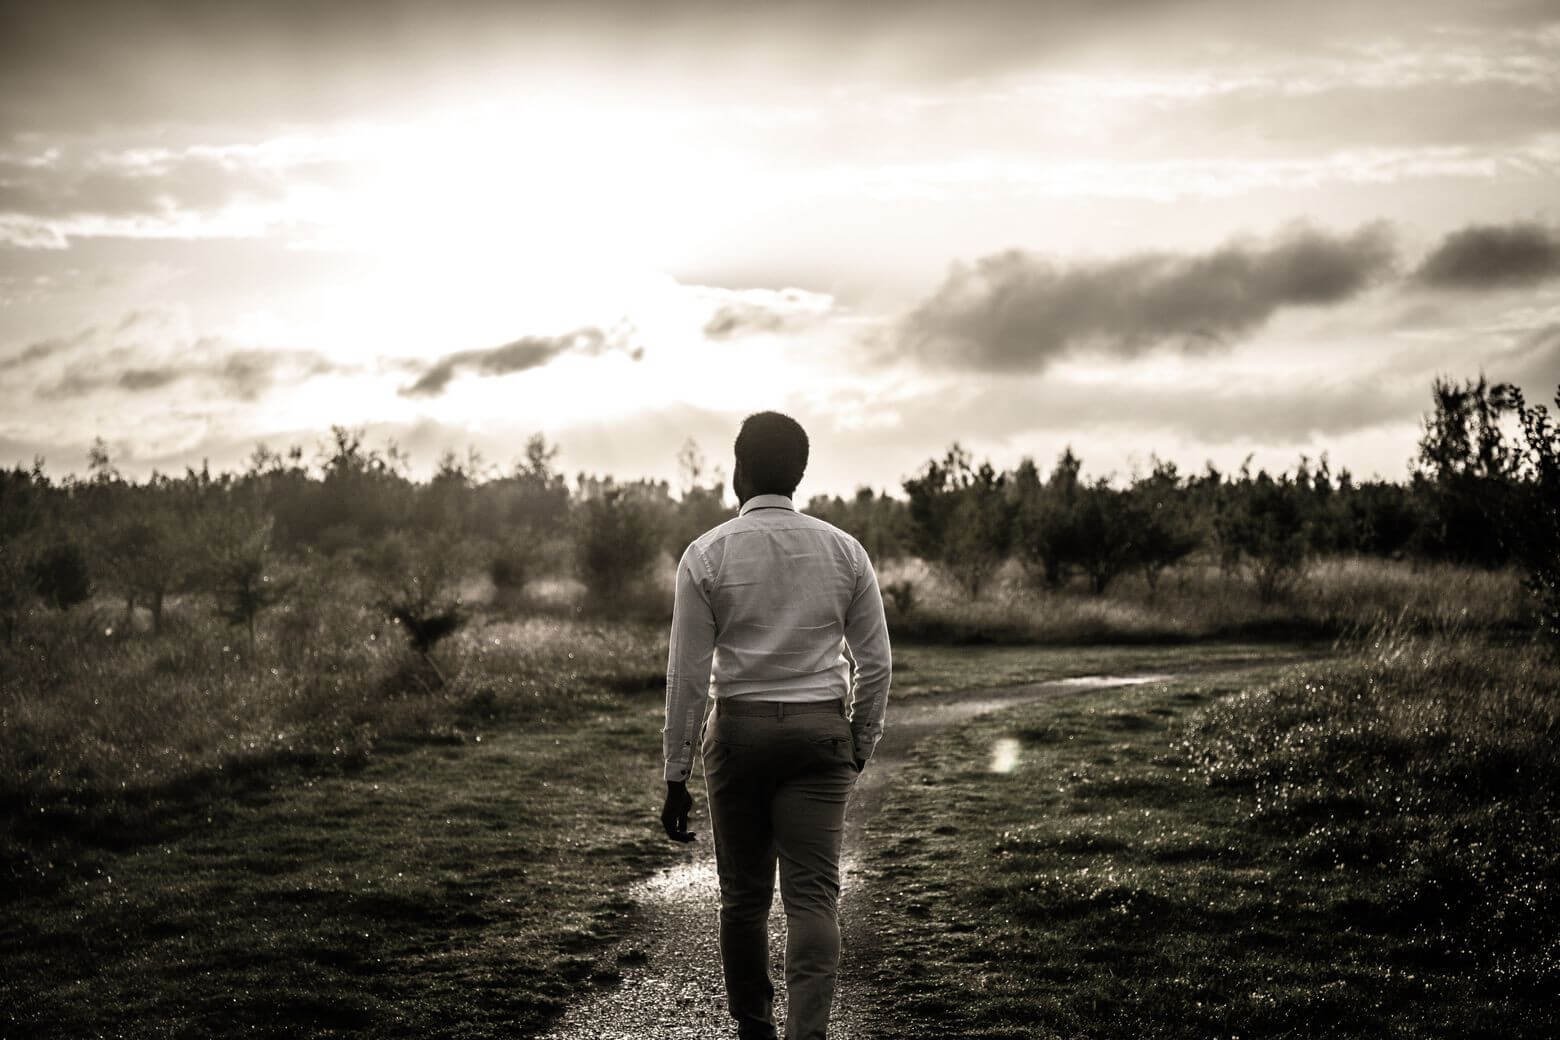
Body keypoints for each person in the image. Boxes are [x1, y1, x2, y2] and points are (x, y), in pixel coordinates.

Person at [659, 411, 892, 1040]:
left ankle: (754, 1029)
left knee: (743, 899)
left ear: (738, 469)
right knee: (814, 899)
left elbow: (687, 674)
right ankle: (806, 1035)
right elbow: (876, 663)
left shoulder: (705, 554)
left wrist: (676, 773)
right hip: (820, 735)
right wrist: (858, 743)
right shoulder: (846, 551)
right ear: (800, 473)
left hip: (737, 734)